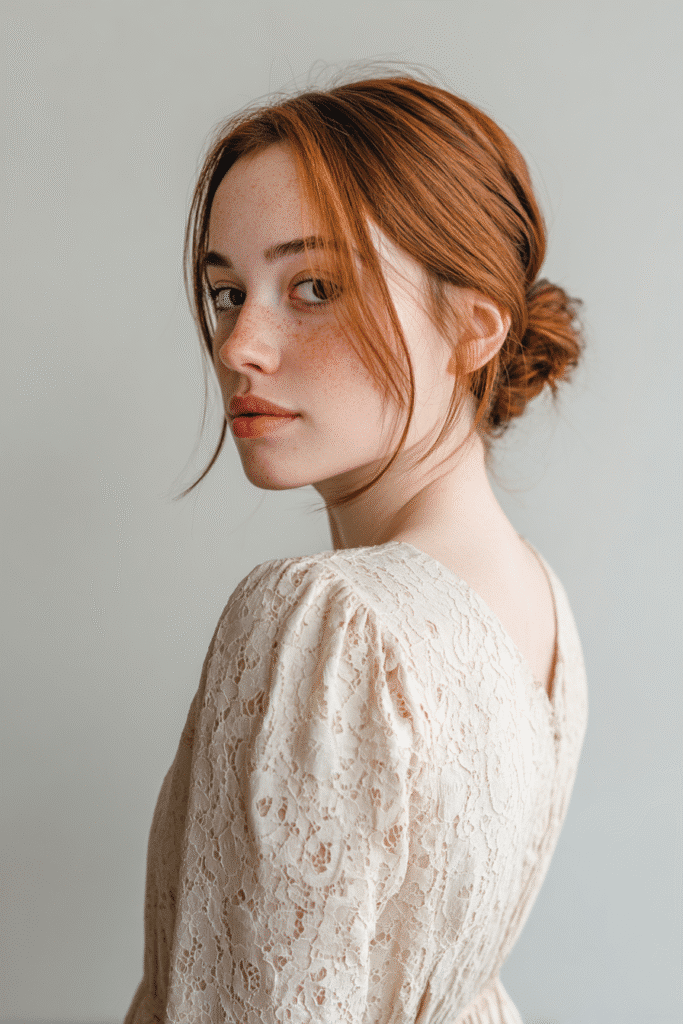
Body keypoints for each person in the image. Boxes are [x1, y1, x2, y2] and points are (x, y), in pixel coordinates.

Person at [124, 67, 588, 1024]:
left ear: (471, 328)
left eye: (313, 285)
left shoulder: (324, 620)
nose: (238, 345)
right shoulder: (539, 607)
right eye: (225, 292)